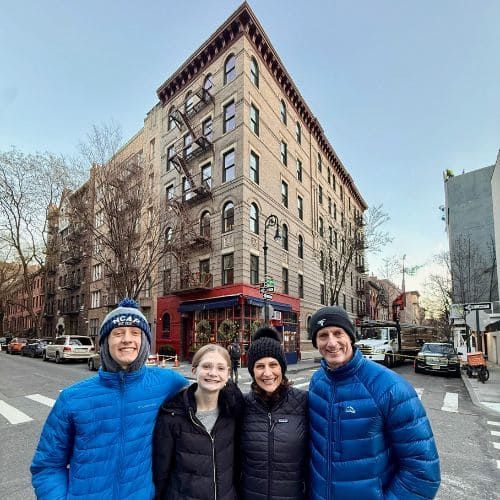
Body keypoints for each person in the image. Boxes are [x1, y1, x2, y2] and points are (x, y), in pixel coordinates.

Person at [31, 298, 187, 500]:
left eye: (135, 333)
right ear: (105, 342)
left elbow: (205, 393)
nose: (127, 339)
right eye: (118, 333)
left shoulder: (167, 382)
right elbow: (48, 465)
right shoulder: (72, 398)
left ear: (145, 341)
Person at [308, 306, 441, 499]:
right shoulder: (317, 382)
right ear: (316, 342)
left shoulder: (391, 387)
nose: (331, 342)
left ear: (350, 337)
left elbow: (422, 471)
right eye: (323, 335)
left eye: (338, 333)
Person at [153, 344, 243, 499]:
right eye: (206, 366)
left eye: (220, 368)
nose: (213, 373)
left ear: (228, 373)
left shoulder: (233, 413)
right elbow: (161, 473)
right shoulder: (172, 416)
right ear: (194, 370)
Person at [239, 327, 308, 499]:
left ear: (282, 367)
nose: (267, 373)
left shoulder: (304, 402)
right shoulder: (242, 405)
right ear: (252, 370)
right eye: (260, 366)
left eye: (273, 365)